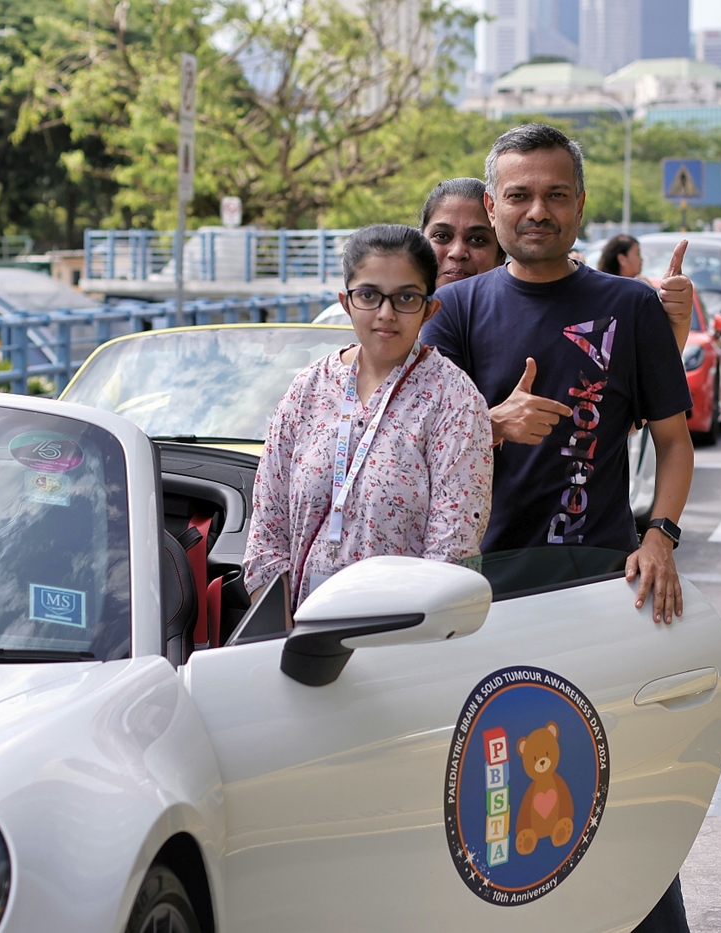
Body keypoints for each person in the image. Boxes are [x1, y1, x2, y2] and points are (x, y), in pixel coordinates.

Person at [420, 123, 696, 933]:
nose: (537, 209)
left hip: (599, 587)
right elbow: (417, 441)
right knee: (489, 787)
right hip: (481, 589)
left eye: (556, 193)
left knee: (617, 781)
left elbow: (674, 443)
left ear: (580, 205)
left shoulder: (630, 307)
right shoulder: (456, 308)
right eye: (519, 195)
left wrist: (660, 537)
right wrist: (490, 424)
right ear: (495, 205)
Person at [244, 224, 494, 607]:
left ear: (430, 307)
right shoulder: (308, 390)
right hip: (298, 634)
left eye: (406, 298)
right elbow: (267, 530)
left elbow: (453, 550)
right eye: (369, 295)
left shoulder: (455, 401)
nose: (386, 313)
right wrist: (283, 629)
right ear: (346, 302)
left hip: (401, 638)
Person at [314, 178, 507, 324]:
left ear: (501, 254)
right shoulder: (341, 320)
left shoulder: (514, 325)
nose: (457, 252)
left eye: (477, 240)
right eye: (442, 236)